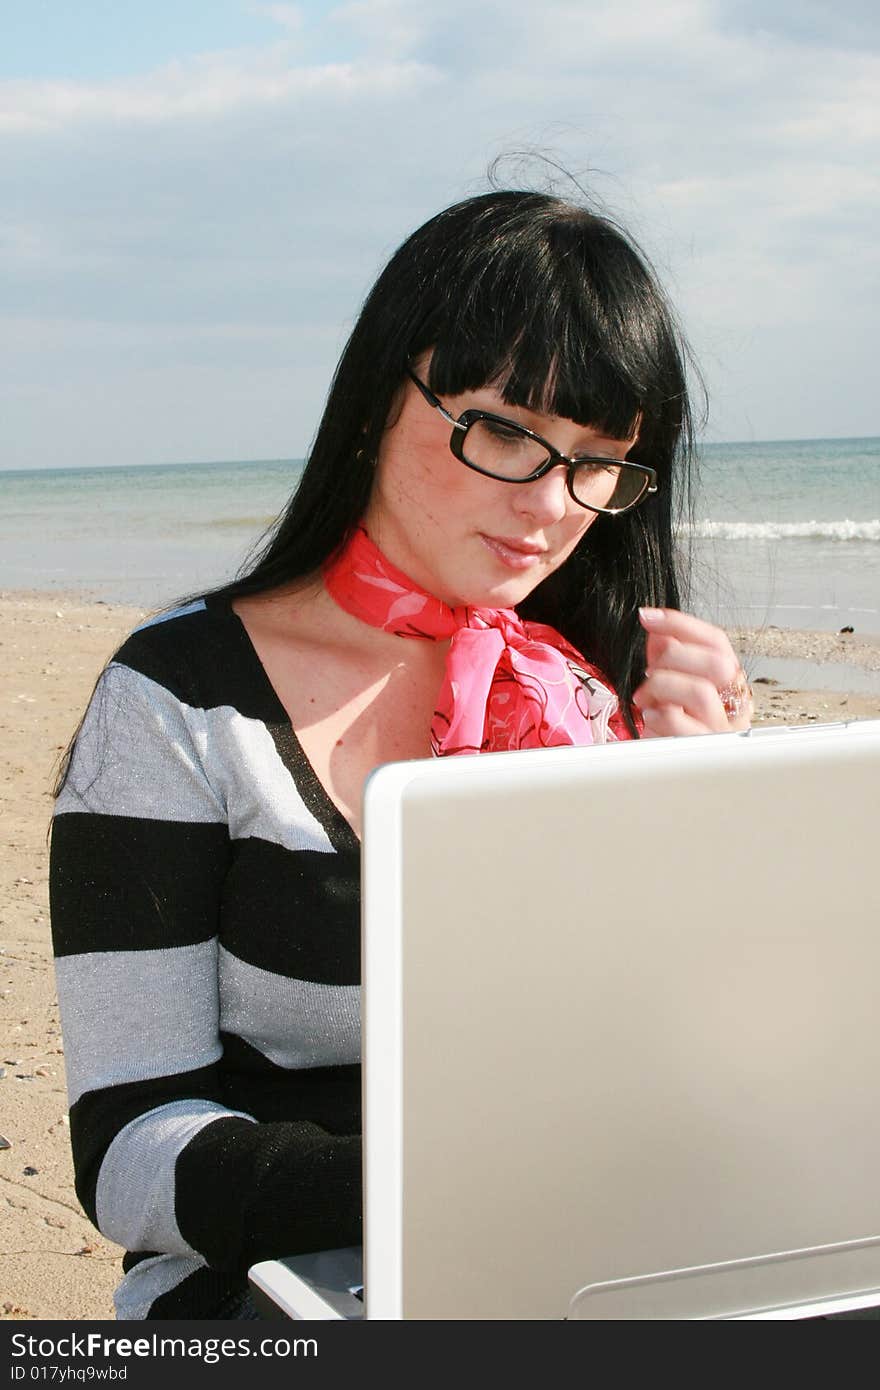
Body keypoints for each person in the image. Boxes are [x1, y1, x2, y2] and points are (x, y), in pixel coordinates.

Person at [49, 187, 752, 1320]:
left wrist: (704, 815)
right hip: (274, 1292)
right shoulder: (176, 701)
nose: (548, 505)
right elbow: (129, 1151)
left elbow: (701, 1057)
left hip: (584, 1264)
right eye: (505, 430)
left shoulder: (596, 695)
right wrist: (443, 1189)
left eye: (595, 461)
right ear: (381, 396)